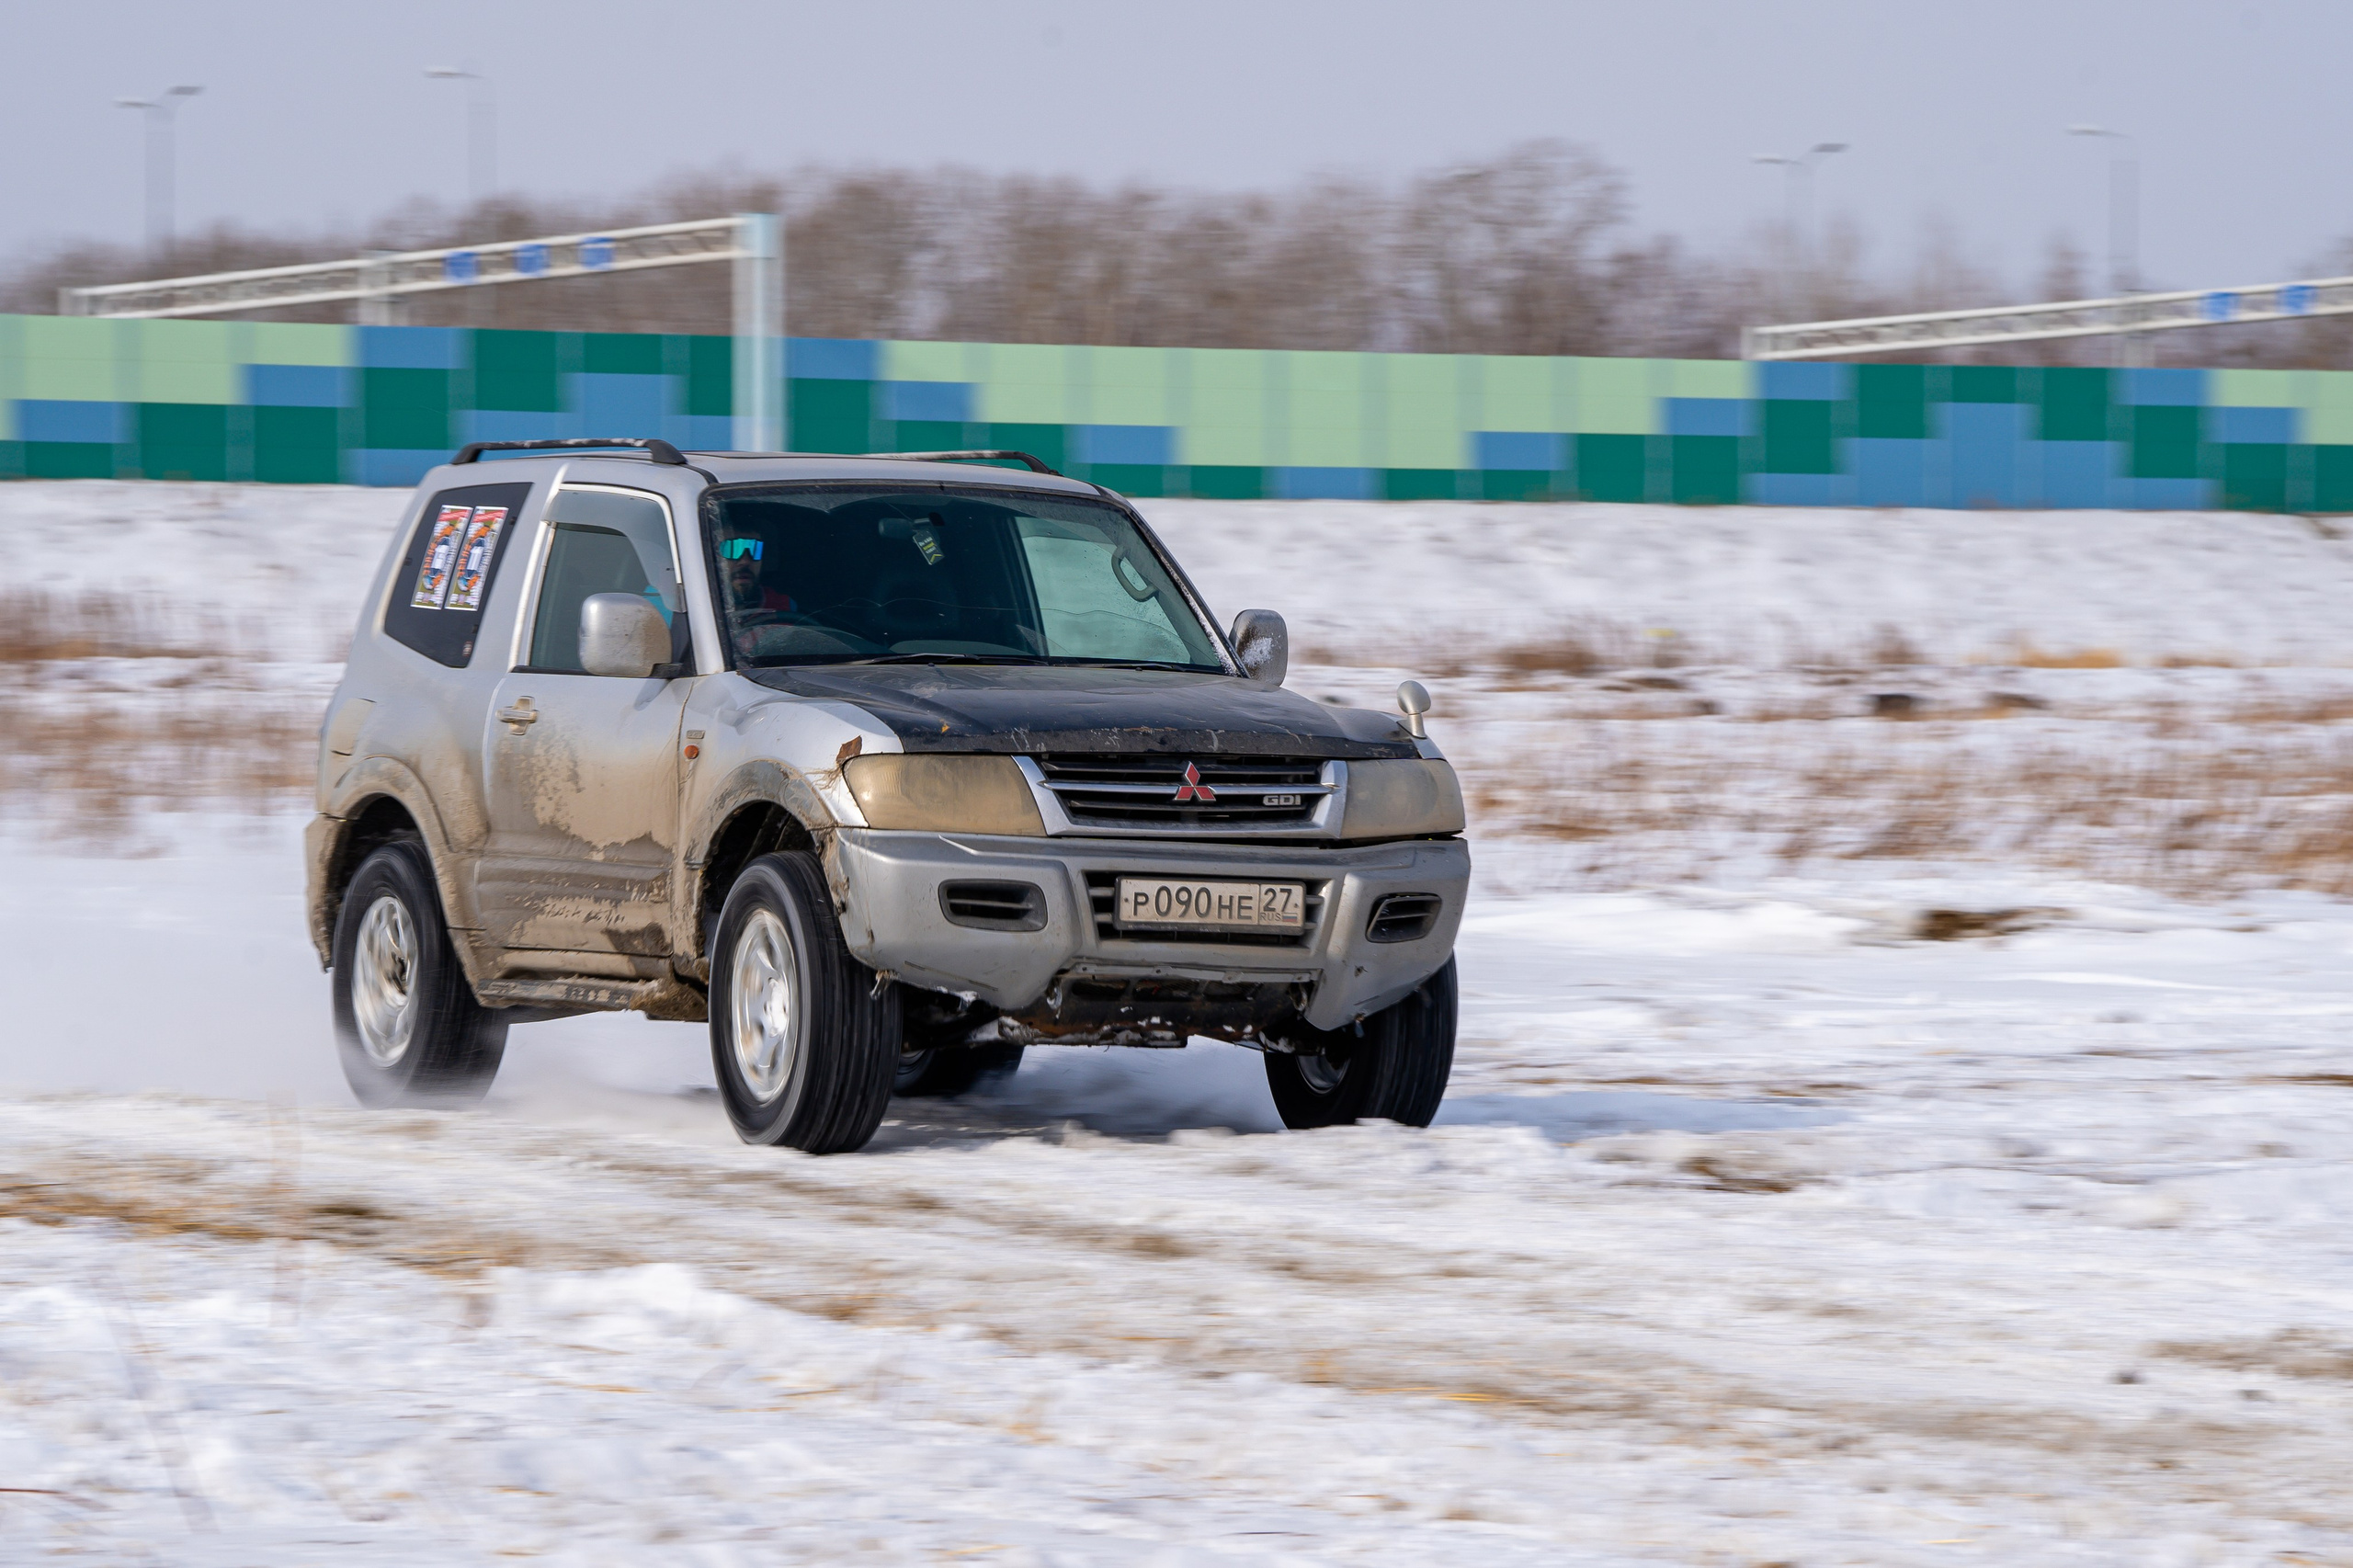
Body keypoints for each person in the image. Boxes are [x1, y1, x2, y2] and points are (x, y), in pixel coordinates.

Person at [718, 531, 797, 616]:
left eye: (755, 549)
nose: (745, 561)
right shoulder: (703, 610)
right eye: (732, 549)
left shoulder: (784, 607)